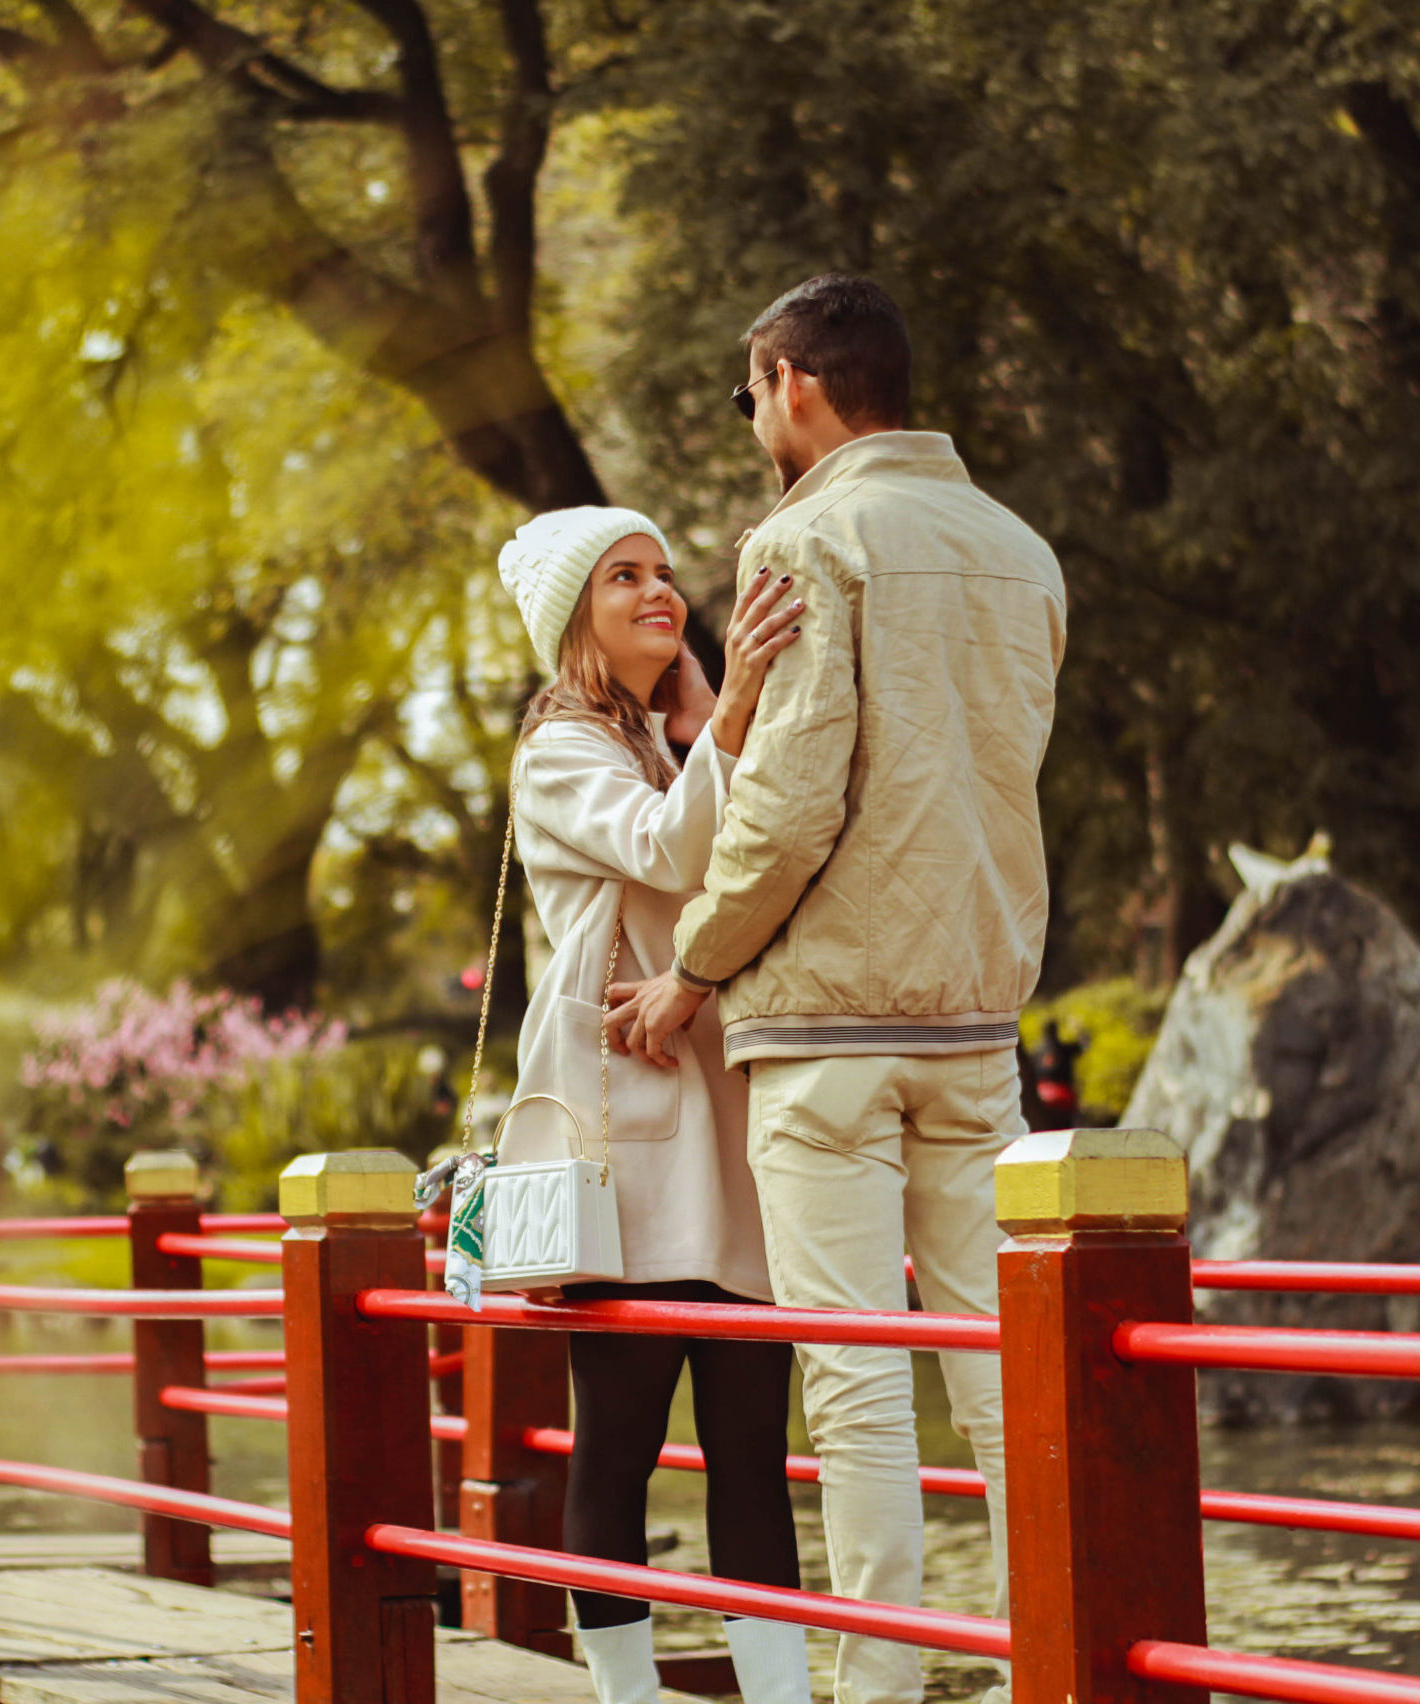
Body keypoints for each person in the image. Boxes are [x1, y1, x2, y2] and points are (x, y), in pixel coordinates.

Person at [607, 275, 1068, 1704]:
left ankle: (877, 1687)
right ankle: (1050, 1664)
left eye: (751, 396)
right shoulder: (1019, 549)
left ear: (793, 381)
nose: (754, 422)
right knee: (1004, 1373)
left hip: (823, 1033)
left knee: (862, 1377)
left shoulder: (806, 540)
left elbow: (791, 806)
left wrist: (690, 971)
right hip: (975, 1015)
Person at [495, 505, 810, 1704]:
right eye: (622, 576)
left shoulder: (667, 742)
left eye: (663, 572)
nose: (657, 590)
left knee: (750, 1449)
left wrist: (696, 726)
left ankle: (778, 1697)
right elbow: (669, 854)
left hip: (723, 1121)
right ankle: (626, 1701)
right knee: (616, 1446)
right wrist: (721, 718)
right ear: (575, 612)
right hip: (623, 1131)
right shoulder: (559, 749)